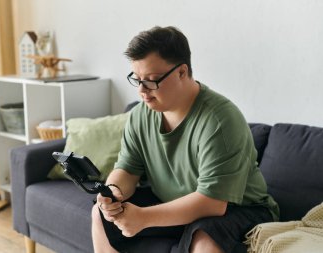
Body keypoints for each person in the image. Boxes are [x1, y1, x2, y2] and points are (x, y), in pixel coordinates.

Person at [91, 26, 279, 253]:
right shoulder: (141, 115)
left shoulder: (220, 120)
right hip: (174, 202)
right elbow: (128, 169)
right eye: (137, 79)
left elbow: (212, 202)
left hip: (239, 208)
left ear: (182, 72)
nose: (142, 90)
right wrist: (113, 192)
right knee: (101, 214)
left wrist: (143, 217)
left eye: (151, 80)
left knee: (204, 242)